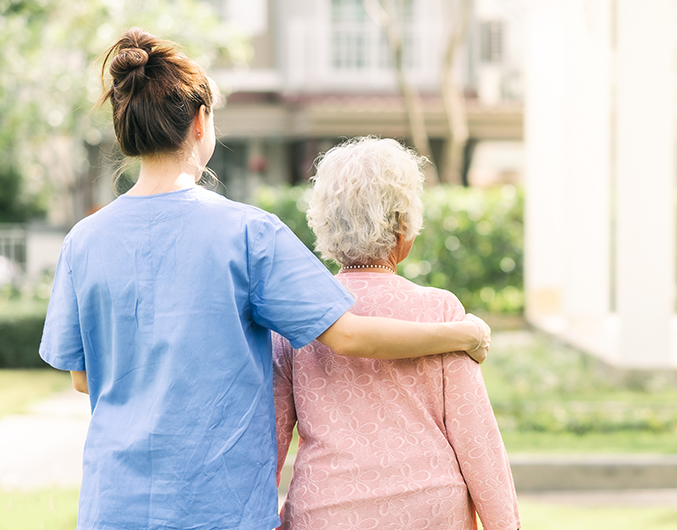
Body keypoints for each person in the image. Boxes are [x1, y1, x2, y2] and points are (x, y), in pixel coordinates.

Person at [38, 28, 490, 530]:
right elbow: (349, 334)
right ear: (200, 121)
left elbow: (82, 378)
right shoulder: (247, 233)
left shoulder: (83, 240)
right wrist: (459, 333)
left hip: (112, 507)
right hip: (219, 511)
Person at [272, 137, 520, 530]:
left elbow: (271, 438)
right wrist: (505, 524)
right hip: (430, 509)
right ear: (404, 224)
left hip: (327, 511)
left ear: (325, 224)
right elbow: (477, 440)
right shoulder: (440, 312)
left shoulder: (297, 317)